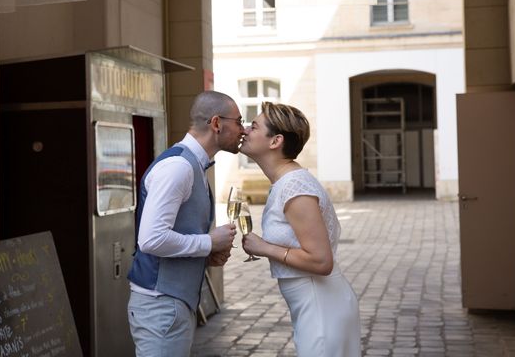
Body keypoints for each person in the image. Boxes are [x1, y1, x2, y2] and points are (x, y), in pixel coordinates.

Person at [127, 90, 243, 356]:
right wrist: (209, 242)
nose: (243, 129)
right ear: (216, 123)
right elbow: (151, 239)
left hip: (172, 304)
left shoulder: (194, 165)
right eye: (238, 121)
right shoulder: (178, 167)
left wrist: (207, 254)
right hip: (161, 305)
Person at [241, 102, 361, 357]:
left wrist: (265, 248)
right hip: (312, 304)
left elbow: (321, 261)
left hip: (321, 305)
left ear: (276, 141)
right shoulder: (286, 182)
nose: (245, 131)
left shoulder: (295, 186)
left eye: (253, 127)